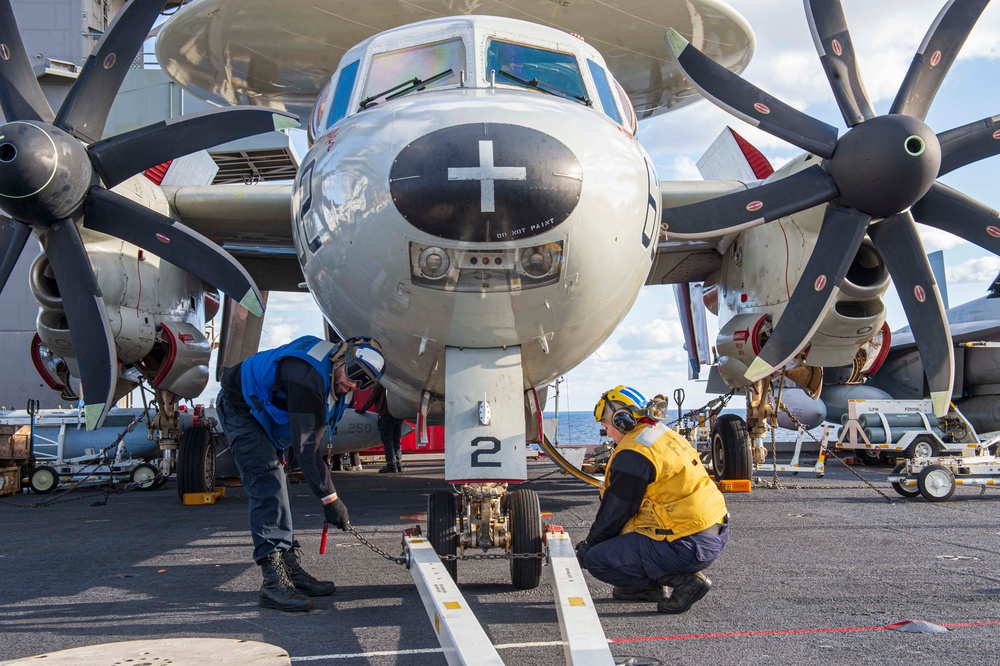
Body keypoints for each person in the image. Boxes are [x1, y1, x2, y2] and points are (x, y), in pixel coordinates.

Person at [216, 335, 386, 612]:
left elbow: (309, 436)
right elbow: (308, 448)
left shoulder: (333, 377)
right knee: (268, 485)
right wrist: (331, 500)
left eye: (365, 382)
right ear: (343, 358)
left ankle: (289, 569)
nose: (354, 384)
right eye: (355, 374)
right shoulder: (306, 376)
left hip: (264, 414)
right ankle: (272, 583)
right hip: (241, 410)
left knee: (278, 485)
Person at [576, 385, 729, 614]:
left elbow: (616, 512)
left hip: (687, 544)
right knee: (619, 541)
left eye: (606, 426)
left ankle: (683, 582)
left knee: (598, 559)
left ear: (622, 421)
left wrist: (588, 546)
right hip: (712, 531)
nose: (607, 433)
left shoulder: (634, 453)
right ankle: (645, 589)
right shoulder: (661, 434)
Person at [356, 382, 405, 473]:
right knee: (396, 440)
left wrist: (362, 410)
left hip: (386, 415)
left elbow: (372, 398)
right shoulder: (398, 383)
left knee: (388, 440)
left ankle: (391, 465)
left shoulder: (381, 383)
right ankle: (398, 464)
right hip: (398, 415)